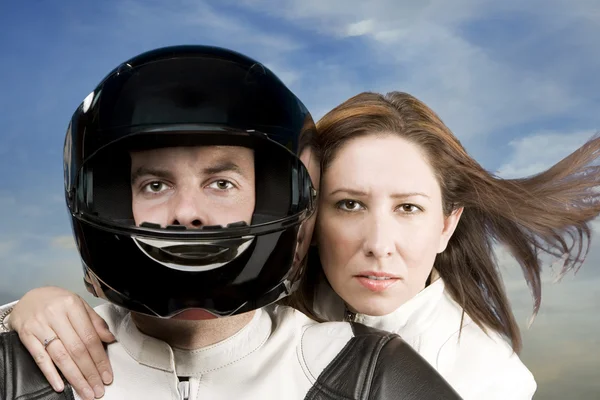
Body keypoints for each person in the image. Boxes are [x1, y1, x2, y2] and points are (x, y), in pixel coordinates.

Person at [0, 46, 462, 400]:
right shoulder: (30, 365)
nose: (188, 213)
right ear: (110, 202)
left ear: (277, 198)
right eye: (155, 186)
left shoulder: (367, 375)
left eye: (221, 183)